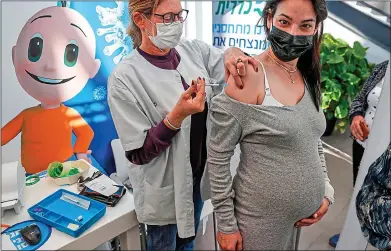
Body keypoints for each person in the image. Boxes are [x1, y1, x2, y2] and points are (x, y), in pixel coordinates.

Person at [107, 0, 256, 250]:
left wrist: (234, 54)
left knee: (187, 243)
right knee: (165, 244)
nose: (176, 24)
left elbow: (229, 65)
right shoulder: (124, 78)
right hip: (164, 190)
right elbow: (138, 152)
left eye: (179, 15)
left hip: (195, 179)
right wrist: (175, 117)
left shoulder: (193, 52)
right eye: (167, 18)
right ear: (140, 20)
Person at [206, 0, 335, 250]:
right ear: (269, 19)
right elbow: (218, 157)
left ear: (316, 28)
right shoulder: (250, 76)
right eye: (284, 22)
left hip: (296, 222)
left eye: (306, 25)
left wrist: (326, 190)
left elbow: (312, 140)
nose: (293, 33)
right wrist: (226, 225)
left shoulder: (307, 74)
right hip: (258, 222)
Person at [1, 5, 99, 175]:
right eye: (36, 48)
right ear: (15, 56)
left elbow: (86, 133)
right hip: (32, 178)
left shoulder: (70, 114)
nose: (51, 66)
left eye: (71, 54)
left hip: (64, 172)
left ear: (92, 68)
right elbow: (3, 136)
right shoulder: (27, 115)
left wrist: (80, 152)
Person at [328, 60, 389, 247]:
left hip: (385, 154)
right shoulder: (383, 67)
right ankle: (351, 232)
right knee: (359, 190)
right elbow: (359, 99)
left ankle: (377, 237)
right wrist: (356, 116)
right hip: (362, 143)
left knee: (379, 197)